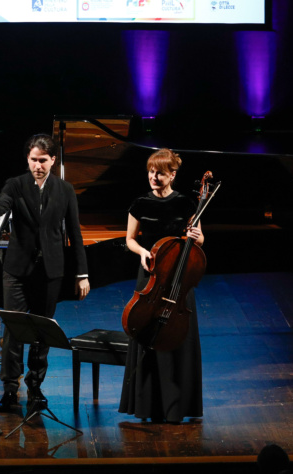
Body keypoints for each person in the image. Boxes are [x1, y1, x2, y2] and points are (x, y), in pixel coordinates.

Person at [0, 134, 90, 412]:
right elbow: (1, 203)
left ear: (53, 160)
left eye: (42, 160)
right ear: (27, 159)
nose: (37, 165)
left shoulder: (65, 190)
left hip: (51, 271)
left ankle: (35, 386)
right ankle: (9, 389)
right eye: (33, 160)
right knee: (13, 330)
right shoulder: (16, 185)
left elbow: (75, 234)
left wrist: (82, 273)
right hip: (16, 269)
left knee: (42, 331)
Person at [118, 148, 204, 423]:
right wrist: (142, 252)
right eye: (151, 172)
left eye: (160, 173)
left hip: (179, 278)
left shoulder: (187, 204)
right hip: (151, 274)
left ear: (172, 175)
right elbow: (130, 239)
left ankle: (177, 406)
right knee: (146, 332)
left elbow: (198, 240)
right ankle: (146, 405)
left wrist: (198, 236)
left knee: (178, 337)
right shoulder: (139, 203)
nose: (154, 177)